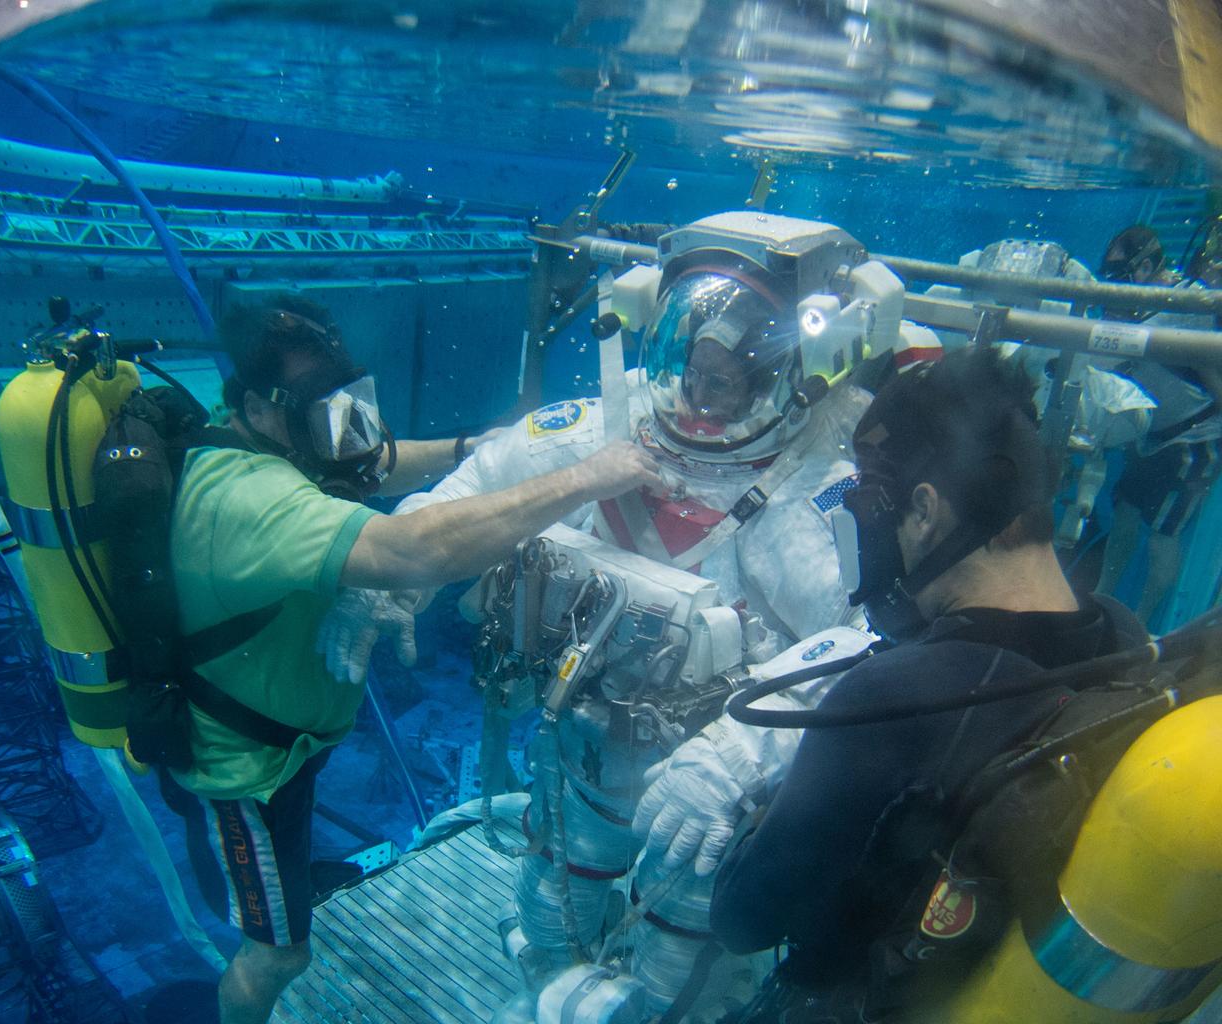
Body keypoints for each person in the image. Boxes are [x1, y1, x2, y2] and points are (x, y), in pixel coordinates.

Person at [354, 212, 940, 1016]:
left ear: (793, 376)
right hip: (579, 759)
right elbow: (481, 485)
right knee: (551, 918)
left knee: (676, 973)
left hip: (706, 805)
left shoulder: (817, 494)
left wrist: (737, 757)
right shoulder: (606, 429)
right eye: (690, 371)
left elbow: (877, 642)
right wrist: (395, 576)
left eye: (726, 382)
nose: (698, 402)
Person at [164, 295, 660, 1024]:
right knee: (276, 953)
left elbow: (371, 464)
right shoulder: (244, 498)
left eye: (347, 401)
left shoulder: (271, 436)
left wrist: (478, 453)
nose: (345, 428)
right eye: (319, 409)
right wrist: (587, 476)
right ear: (260, 410)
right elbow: (411, 550)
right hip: (242, 768)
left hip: (288, 742)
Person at [709, 346, 1148, 1021]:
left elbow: (744, 920)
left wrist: (754, 816)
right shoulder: (1126, 641)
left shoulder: (896, 698)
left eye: (868, 503)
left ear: (922, 511)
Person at [1091, 227, 1222, 624]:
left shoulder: (1186, 306)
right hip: (1151, 436)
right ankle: (1102, 603)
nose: (1114, 290)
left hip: (1193, 441)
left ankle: (1145, 624)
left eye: (1120, 276)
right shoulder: (1150, 308)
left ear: (1146, 267)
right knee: (1126, 518)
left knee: (1163, 534)